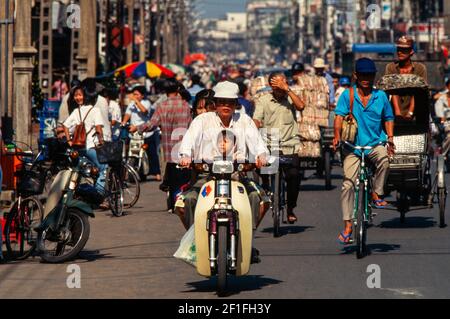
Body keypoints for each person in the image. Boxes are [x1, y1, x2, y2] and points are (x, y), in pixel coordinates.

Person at [178, 80, 269, 230]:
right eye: (222, 102)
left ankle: (246, 237)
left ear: (236, 104)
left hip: (238, 175)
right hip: (207, 176)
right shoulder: (202, 120)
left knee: (257, 199)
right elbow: (189, 140)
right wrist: (185, 155)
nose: (226, 106)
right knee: (188, 201)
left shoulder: (245, 121)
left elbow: (256, 142)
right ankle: (194, 237)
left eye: (230, 102)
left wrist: (261, 155)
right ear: (215, 104)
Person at [332, 58, 395, 244]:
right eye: (363, 75)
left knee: (385, 159)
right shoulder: (347, 95)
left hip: (375, 144)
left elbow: (389, 118)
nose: (366, 78)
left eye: (370, 75)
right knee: (348, 185)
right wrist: (337, 136)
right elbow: (338, 118)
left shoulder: (381, 96)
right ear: (356, 76)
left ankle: (377, 192)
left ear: (374, 76)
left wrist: (390, 139)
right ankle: (347, 226)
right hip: (353, 147)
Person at [130, 79, 192, 210]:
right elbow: (191, 126)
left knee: (171, 178)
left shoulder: (162, 106)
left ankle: (172, 205)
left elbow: (151, 124)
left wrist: (138, 128)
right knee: (183, 178)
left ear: (166, 92)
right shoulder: (186, 106)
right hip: (184, 149)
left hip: (168, 150)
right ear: (177, 91)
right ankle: (180, 203)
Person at [253, 72, 304, 223]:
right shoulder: (263, 100)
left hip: (290, 144)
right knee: (260, 165)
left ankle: (290, 208)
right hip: (270, 144)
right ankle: (267, 185)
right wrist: (252, 132)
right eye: (278, 85)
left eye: (283, 83)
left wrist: (287, 89)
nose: (281, 88)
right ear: (271, 86)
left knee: (294, 176)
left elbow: (301, 106)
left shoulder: (290, 97)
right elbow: (257, 119)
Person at [62, 85, 106, 193]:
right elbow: (99, 129)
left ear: (85, 97)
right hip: (90, 147)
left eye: (79, 95)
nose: (77, 97)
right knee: (103, 168)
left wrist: (69, 141)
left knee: (80, 171)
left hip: (78, 147)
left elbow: (65, 125)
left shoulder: (76, 111)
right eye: (76, 95)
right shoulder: (95, 110)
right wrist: (102, 142)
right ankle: (99, 195)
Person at [122, 85, 161, 181]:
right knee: (131, 152)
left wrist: (136, 101)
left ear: (142, 95)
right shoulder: (131, 104)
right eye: (134, 94)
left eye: (136, 94)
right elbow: (128, 114)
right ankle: (133, 172)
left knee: (151, 153)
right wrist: (124, 122)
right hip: (134, 133)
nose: (134, 96)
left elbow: (144, 111)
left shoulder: (146, 102)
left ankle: (157, 173)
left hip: (146, 132)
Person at [384, 36, 428, 120]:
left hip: (416, 113)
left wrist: (410, 113)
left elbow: (419, 91)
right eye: (398, 49)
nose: (400, 52)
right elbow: (392, 90)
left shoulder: (420, 68)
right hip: (393, 114)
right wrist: (397, 114)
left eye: (404, 50)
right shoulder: (391, 67)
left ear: (411, 51)